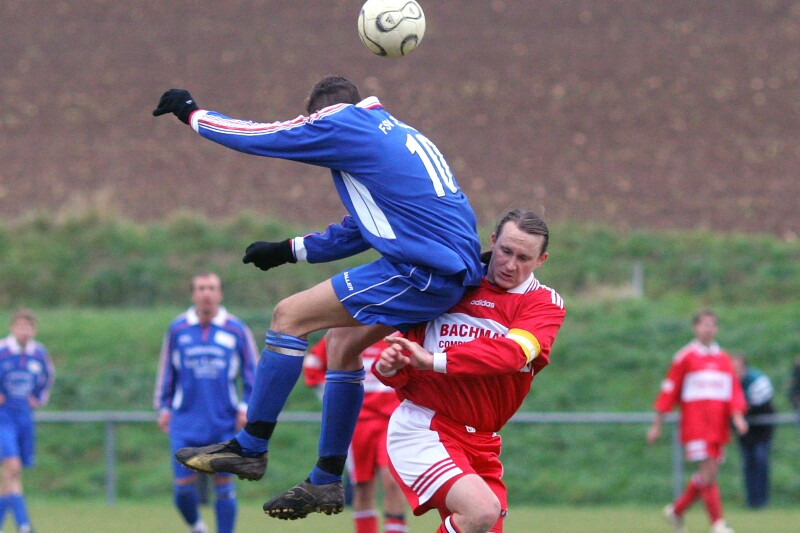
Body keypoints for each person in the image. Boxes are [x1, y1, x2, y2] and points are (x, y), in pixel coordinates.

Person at [153, 76, 482, 520]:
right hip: (446, 269)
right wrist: (288, 250)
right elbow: (363, 226)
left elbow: (263, 137)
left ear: (320, 113)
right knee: (342, 346)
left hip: (422, 271)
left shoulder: (341, 121)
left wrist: (193, 113)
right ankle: (326, 478)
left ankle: (250, 446)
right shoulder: (393, 133)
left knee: (288, 316)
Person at [373, 209, 566, 533]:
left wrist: (435, 360)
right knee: (481, 511)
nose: (510, 265)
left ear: (541, 261)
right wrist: (390, 368)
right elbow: (409, 361)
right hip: (425, 428)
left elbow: (511, 355)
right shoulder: (451, 284)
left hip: (483, 442)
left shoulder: (543, 304)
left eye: (523, 258)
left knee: (482, 519)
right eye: (505, 251)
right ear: (493, 240)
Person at [154, 272, 259, 533]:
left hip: (223, 422)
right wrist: (164, 407)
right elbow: (167, 371)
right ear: (194, 294)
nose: (206, 293)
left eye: (211, 288)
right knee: (183, 491)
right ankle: (197, 527)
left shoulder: (236, 329)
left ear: (220, 293)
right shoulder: (178, 328)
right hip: (185, 422)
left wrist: (246, 407)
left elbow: (252, 373)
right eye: (201, 288)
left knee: (224, 488)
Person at [647, 309, 748, 533]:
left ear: (717, 329)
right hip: (697, 426)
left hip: (718, 427)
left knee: (708, 475)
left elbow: (733, 391)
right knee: (708, 473)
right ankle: (718, 524)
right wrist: (657, 424)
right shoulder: (686, 357)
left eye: (712, 325)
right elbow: (669, 391)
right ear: (696, 328)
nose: (708, 329)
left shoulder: (724, 359)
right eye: (704, 324)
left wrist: (738, 415)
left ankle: (676, 511)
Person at [305, 334, 407, 533]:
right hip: (355, 421)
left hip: (393, 420)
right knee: (363, 486)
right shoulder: (351, 330)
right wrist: (333, 396)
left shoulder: (400, 331)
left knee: (393, 481)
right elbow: (313, 363)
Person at [0, 310, 55, 533]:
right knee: (12, 467)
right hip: (3, 416)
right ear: (13, 328)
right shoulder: (3, 350)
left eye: (29, 327)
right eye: (21, 327)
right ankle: (25, 526)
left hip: (24, 416)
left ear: (34, 330)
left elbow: (48, 378)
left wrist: (38, 398)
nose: (25, 331)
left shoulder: (39, 353)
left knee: (11, 475)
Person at [732, 354, 775, 509]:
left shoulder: (757, 380)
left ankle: (762, 500)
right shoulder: (731, 382)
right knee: (749, 463)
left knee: (760, 461)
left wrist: (739, 412)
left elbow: (758, 406)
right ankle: (752, 501)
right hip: (745, 430)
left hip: (762, 430)